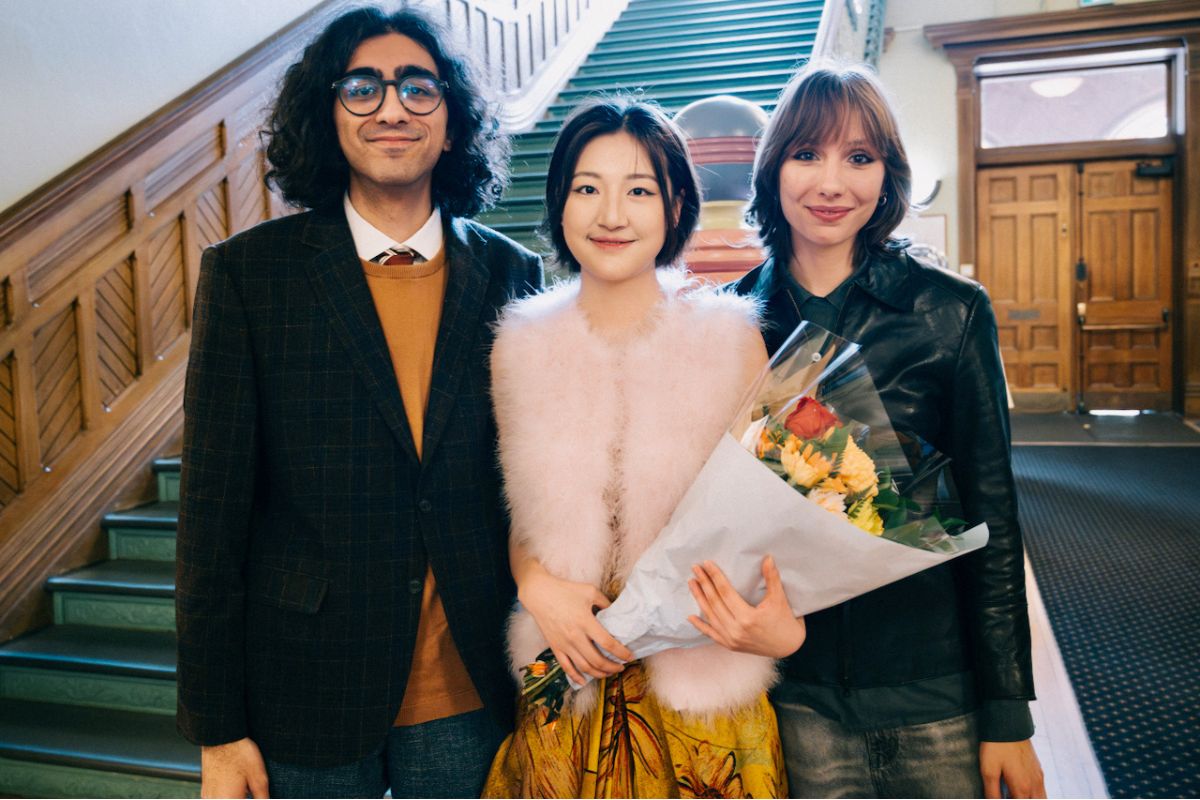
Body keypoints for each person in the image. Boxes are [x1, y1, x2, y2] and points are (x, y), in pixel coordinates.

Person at [175, 7, 542, 798]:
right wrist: (217, 728)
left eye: (419, 87)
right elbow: (211, 517)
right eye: (362, 87)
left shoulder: (513, 277)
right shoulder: (250, 276)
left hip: (470, 688)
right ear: (328, 114)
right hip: (304, 689)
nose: (391, 108)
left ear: (451, 122)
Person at [710, 61, 1046, 798]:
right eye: (807, 153)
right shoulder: (724, 323)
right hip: (790, 694)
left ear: (887, 174)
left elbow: (994, 522)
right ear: (772, 170)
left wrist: (1006, 713)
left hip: (933, 686)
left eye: (859, 158)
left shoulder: (950, 314)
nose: (832, 183)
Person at [481, 98, 803, 798]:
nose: (611, 215)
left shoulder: (731, 338)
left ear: (676, 203)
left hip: (703, 685)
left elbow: (780, 511)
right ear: (560, 203)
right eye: (587, 188)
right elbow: (522, 511)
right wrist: (535, 584)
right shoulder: (519, 344)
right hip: (570, 673)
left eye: (639, 191)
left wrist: (784, 626)